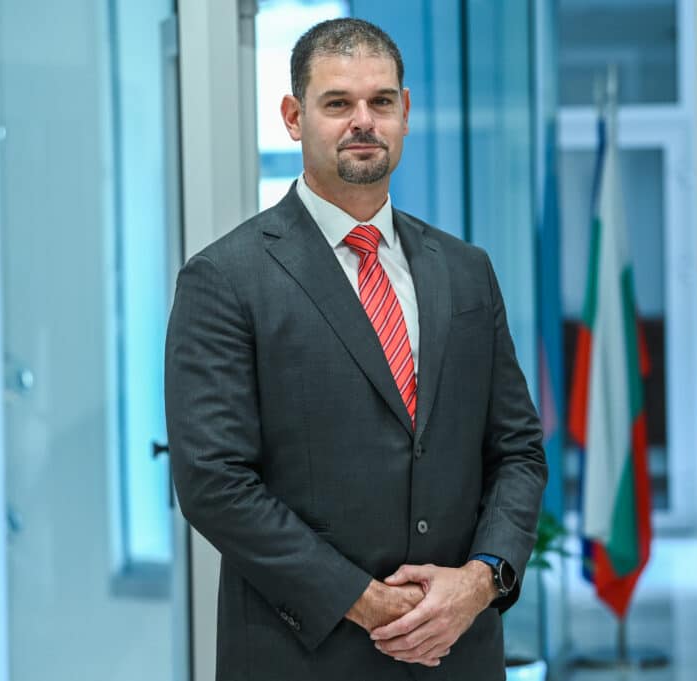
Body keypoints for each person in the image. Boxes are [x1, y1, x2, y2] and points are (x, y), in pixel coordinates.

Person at [164, 17, 546, 681]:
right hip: (304, 657)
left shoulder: (466, 271)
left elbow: (517, 449)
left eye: (381, 101)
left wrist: (480, 581)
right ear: (294, 117)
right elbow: (214, 482)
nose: (363, 121)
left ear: (405, 113)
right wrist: (366, 602)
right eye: (338, 103)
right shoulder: (225, 279)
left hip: (457, 651)